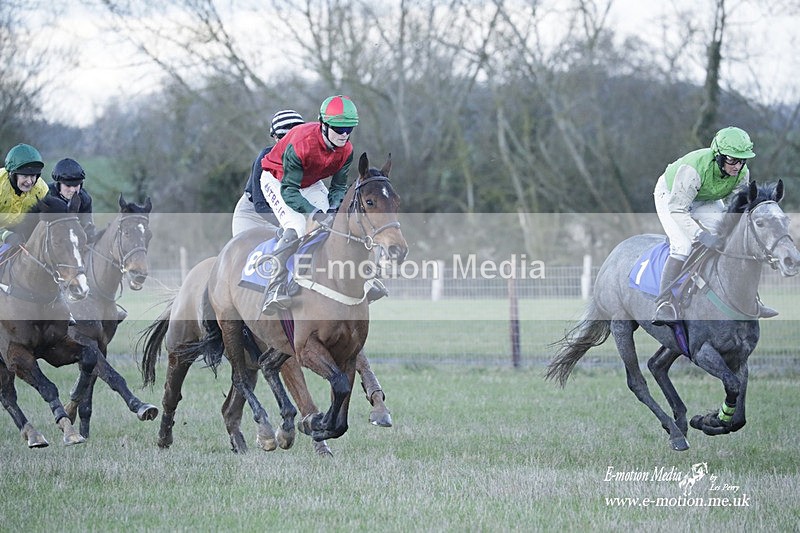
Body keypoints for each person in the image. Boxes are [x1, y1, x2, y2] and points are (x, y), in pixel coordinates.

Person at [652, 126, 775, 325]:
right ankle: (663, 303)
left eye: (742, 159)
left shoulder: (742, 172)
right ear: (718, 156)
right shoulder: (692, 170)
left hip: (704, 198)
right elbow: (678, 209)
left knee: (728, 239)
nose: (738, 166)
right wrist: (701, 235)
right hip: (672, 197)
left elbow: (737, 207)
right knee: (682, 245)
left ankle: (753, 300)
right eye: (732, 160)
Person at [259, 95, 359, 314]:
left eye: (349, 129)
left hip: (310, 182)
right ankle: (274, 286)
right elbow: (289, 191)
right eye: (338, 129)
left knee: (337, 222)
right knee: (297, 227)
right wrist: (314, 213)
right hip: (278, 180)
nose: (344, 135)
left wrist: (332, 209)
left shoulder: (347, 150)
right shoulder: (301, 144)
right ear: (324, 124)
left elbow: (339, 187)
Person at [232, 109, 305, 236]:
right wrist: (286, 223)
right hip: (252, 214)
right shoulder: (265, 158)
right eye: (284, 139)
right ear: (275, 138)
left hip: (283, 211)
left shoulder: (308, 158)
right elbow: (259, 204)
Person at [24, 158, 99, 243]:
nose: (73, 190)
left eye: (76, 185)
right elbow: (30, 226)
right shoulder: (44, 196)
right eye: (68, 186)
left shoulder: (85, 199)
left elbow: (88, 229)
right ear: (58, 185)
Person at [0, 143, 48, 249]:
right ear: (12, 174)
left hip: (20, 232)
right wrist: (5, 235)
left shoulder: (42, 190)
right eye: (25, 176)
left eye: (33, 176)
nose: (29, 181)